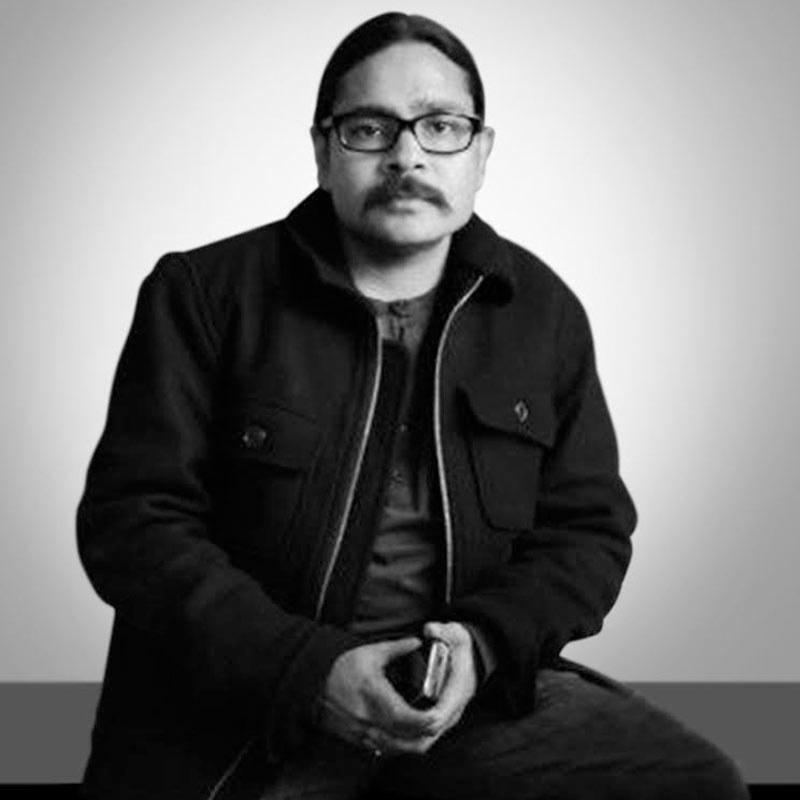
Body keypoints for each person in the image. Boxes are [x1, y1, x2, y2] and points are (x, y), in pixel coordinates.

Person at [77, 12, 748, 800]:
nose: (407, 155)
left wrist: (481, 647)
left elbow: (589, 535)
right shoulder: (203, 295)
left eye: (441, 126)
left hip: (467, 706)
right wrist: (308, 671)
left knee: (699, 784)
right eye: (369, 128)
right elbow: (134, 525)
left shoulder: (543, 315)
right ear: (323, 150)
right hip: (249, 718)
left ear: (481, 152)